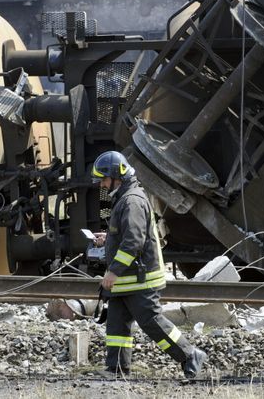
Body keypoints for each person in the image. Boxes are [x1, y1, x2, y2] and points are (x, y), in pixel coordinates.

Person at [91, 150, 207, 378]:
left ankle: (190, 354)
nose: (102, 185)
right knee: (116, 326)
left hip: (138, 279)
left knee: (151, 322)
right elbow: (127, 236)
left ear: (117, 176)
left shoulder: (132, 201)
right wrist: (108, 239)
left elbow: (133, 241)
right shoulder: (125, 198)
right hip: (128, 280)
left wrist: (113, 272)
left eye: (104, 179)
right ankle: (117, 369)